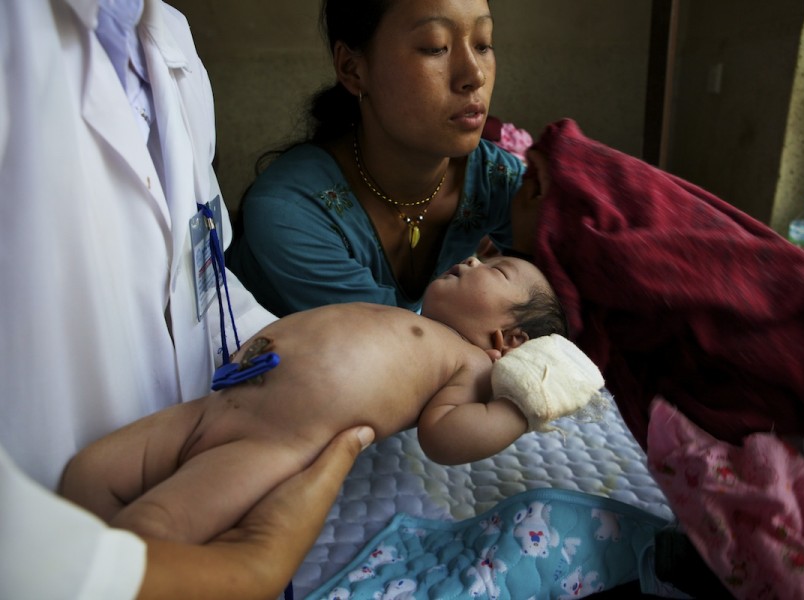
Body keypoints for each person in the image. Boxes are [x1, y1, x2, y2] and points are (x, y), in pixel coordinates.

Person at [0, 0, 370, 596]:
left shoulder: (167, 37)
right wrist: (243, 569)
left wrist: (324, 364)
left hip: (188, 495)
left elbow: (202, 282)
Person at [58, 256, 573, 545]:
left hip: (271, 443)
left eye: (497, 269)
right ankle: (72, 568)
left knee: (152, 530)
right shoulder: (409, 319)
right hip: (216, 404)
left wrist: (517, 406)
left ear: (508, 341)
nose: (474, 258)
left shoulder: (470, 364)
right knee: (86, 475)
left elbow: (445, 437)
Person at [226, 0, 544, 315]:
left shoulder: (493, 178)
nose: (475, 74)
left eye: (483, 44)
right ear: (353, 70)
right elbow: (407, 353)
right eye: (436, 47)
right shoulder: (291, 214)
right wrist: (524, 255)